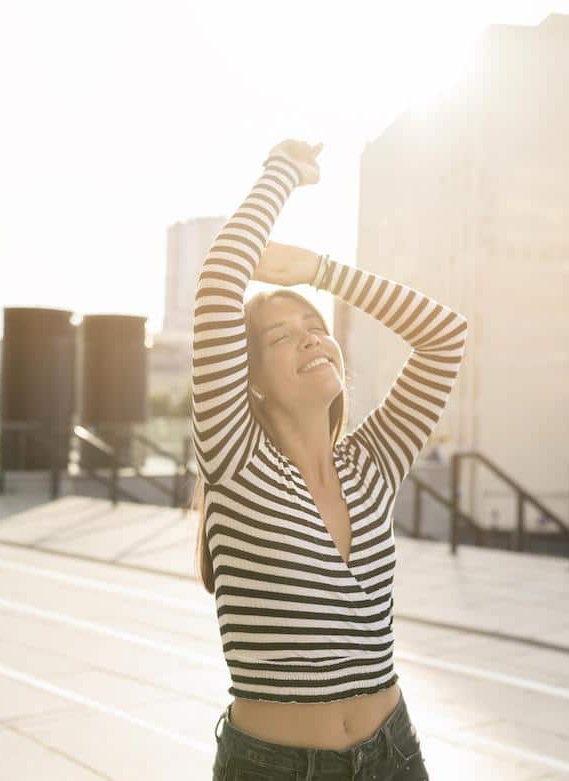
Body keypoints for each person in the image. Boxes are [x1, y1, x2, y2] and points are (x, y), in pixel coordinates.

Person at [190, 138, 468, 780]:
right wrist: (283, 172)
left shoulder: (371, 464)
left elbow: (444, 336)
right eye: (280, 338)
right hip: (275, 767)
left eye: (316, 328)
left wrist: (320, 271)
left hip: (393, 752)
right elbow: (220, 276)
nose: (310, 338)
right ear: (249, 377)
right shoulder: (235, 461)